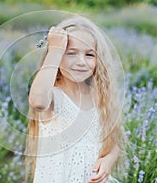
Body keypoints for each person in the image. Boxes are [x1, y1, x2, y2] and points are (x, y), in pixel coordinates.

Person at [24, 15, 126, 183]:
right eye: (70, 53)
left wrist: (108, 160)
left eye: (89, 55)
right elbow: (37, 101)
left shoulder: (99, 97)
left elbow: (112, 142)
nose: (81, 62)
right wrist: (56, 49)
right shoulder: (53, 97)